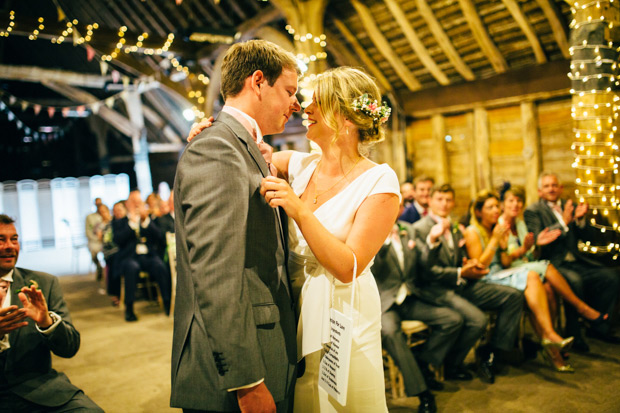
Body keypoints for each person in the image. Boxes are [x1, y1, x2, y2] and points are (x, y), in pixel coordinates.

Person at [258, 66, 399, 411]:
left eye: (317, 102)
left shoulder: (379, 181)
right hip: (295, 303)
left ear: (346, 117)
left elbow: (349, 266)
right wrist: (208, 132)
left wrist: (300, 211)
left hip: (344, 311)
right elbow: (242, 155)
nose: (305, 109)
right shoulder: (298, 164)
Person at [171, 40, 300, 412]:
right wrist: (246, 381)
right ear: (258, 81)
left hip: (266, 348)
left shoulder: (247, 148)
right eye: (289, 91)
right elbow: (215, 271)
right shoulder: (218, 147)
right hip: (236, 371)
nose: (296, 104)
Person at [413, 184, 524, 384]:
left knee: (508, 299)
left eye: (448, 200)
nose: (444, 204)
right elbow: (426, 271)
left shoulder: (454, 226)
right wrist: (459, 271)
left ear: (454, 203)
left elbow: (455, 260)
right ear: (429, 201)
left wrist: (467, 263)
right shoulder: (419, 229)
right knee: (477, 320)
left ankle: (479, 357)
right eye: (439, 199)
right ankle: (442, 364)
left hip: (459, 284)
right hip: (434, 290)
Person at [0, 214, 103, 412]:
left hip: (39, 389)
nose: (9, 246)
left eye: (14, 239)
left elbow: (70, 348)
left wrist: (47, 323)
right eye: (1, 240)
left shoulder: (43, 284)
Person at [463, 189, 575, 372]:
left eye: (496, 207)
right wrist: (494, 241)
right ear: (478, 211)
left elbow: (506, 261)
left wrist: (523, 248)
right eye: (490, 207)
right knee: (532, 276)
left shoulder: (496, 228)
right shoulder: (472, 232)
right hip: (485, 279)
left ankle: (550, 339)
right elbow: (480, 268)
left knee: (541, 287)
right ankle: (550, 337)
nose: (495, 211)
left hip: (500, 274)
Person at [372, 216, 466, 413]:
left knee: (453, 319)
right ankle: (423, 393)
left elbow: (423, 264)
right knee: (390, 332)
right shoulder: (371, 228)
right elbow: (375, 267)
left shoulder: (408, 229)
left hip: (411, 296)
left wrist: (432, 241)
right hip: (386, 302)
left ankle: (422, 361)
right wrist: (386, 238)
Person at [524, 172, 620, 351]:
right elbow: (538, 238)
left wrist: (581, 220)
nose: (551, 189)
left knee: (611, 277)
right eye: (547, 186)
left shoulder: (570, 206)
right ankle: (574, 334)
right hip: (553, 263)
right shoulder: (533, 211)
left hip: (577, 260)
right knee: (574, 281)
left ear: (560, 188)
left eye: (554, 185)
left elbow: (587, 236)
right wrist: (564, 221)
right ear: (539, 191)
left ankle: (599, 326)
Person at [499, 185, 606, 327]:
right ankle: (581, 308)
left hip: (528, 266)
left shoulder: (520, 224)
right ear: (502, 204)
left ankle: (551, 335)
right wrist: (525, 248)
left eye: (519, 201)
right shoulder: (500, 226)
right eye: (511, 201)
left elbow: (532, 253)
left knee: (549, 289)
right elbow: (506, 259)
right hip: (511, 269)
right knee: (549, 267)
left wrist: (537, 244)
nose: (515, 205)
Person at [113, 190, 171, 321]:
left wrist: (146, 222)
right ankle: (129, 309)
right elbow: (118, 240)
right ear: (127, 204)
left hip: (147, 256)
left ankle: (168, 304)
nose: (137, 205)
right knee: (131, 268)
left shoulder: (147, 218)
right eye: (134, 202)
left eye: (139, 202)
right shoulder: (120, 221)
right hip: (129, 257)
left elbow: (159, 237)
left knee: (160, 266)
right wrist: (132, 224)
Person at [85, 197, 104, 281]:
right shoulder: (90, 217)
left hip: (104, 240)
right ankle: (98, 266)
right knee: (93, 251)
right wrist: (95, 238)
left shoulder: (105, 215)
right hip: (94, 240)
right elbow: (88, 230)